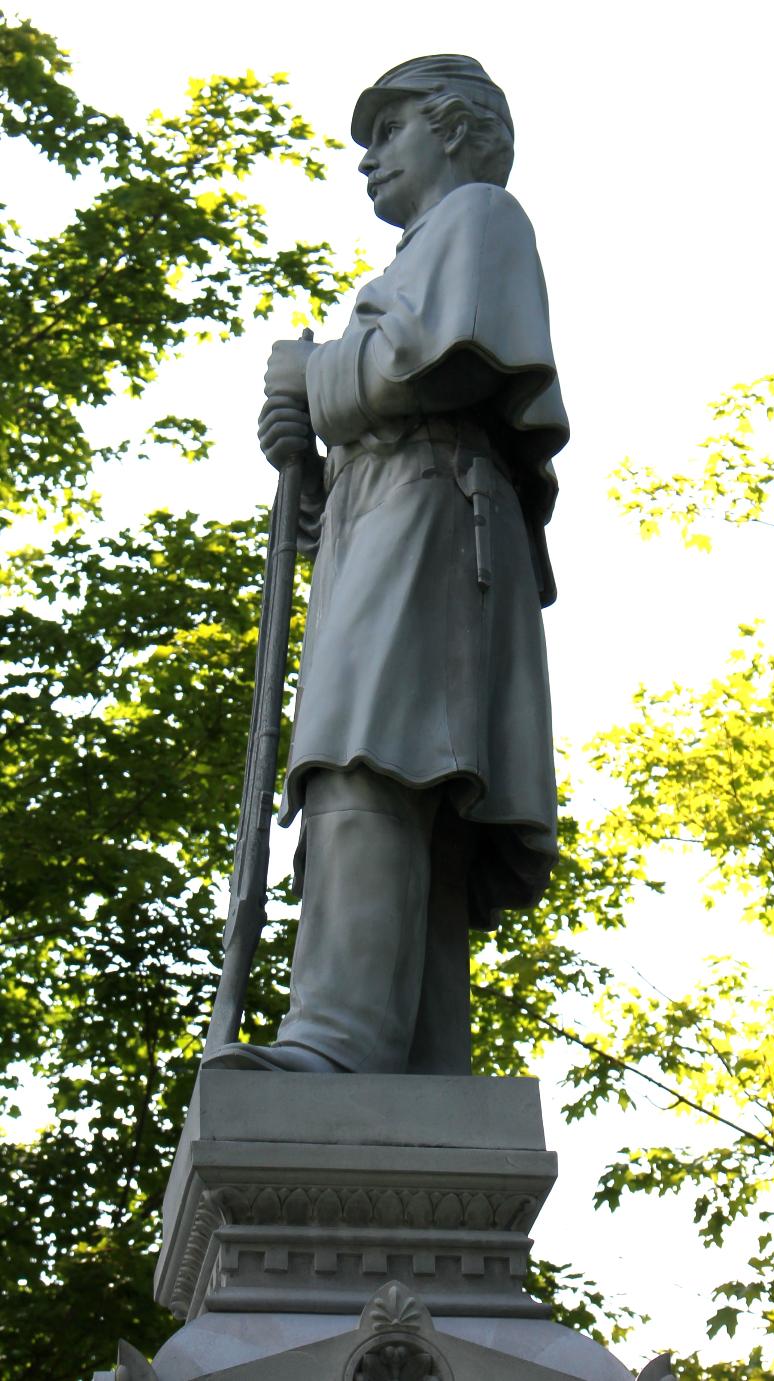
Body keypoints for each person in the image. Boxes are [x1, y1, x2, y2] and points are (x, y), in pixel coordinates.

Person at [206, 55, 568, 1076]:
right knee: (392, 768)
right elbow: (387, 405)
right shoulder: (420, 251)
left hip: (432, 509)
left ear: (456, 130)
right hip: (397, 510)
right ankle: (413, 1053)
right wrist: (304, 458)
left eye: (390, 127)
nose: (367, 155)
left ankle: (340, 1038)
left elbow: (440, 358)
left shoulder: (479, 220)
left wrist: (315, 376)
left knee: (370, 752)